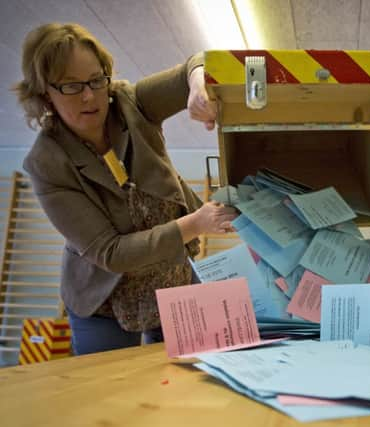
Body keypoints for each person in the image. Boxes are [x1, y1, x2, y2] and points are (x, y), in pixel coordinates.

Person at [13, 23, 237, 355]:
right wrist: (195, 224)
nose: (89, 96)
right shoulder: (46, 164)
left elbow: (197, 62)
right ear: (46, 93)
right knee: (110, 393)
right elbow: (111, 253)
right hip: (104, 300)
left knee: (192, 380)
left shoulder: (131, 103)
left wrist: (198, 85)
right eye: (72, 86)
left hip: (171, 274)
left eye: (96, 80)